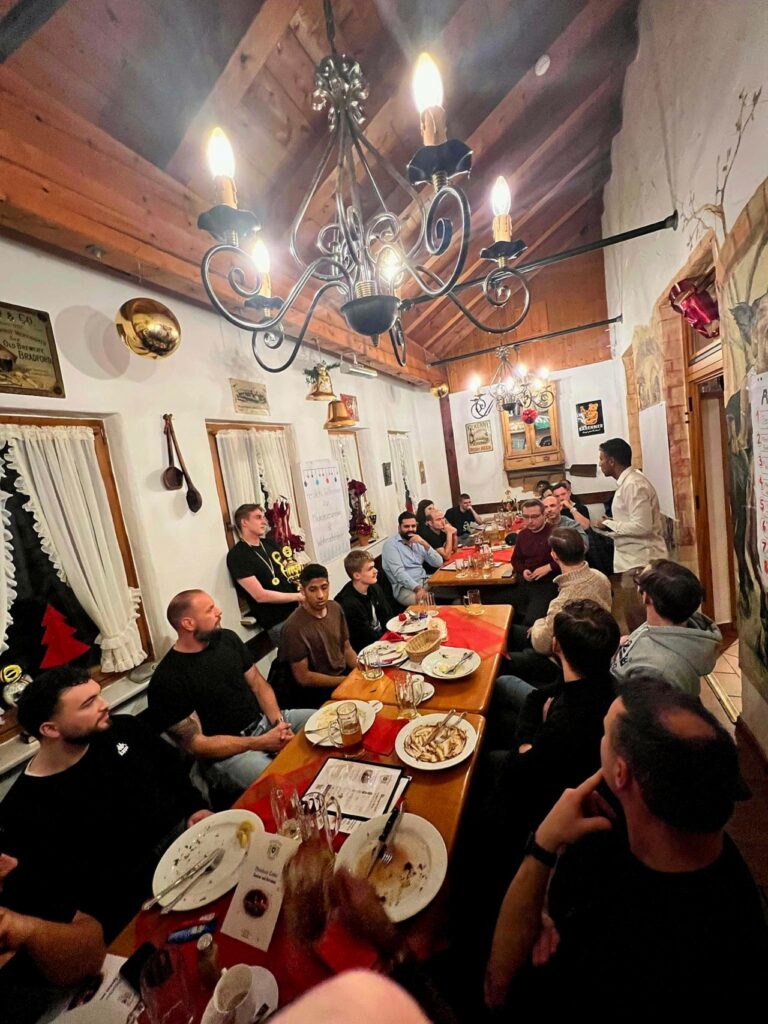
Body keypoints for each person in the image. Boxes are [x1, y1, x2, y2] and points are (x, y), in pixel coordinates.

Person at [485, 678, 768, 1010]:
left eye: (605, 733)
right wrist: (543, 905)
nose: (600, 738)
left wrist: (543, 845)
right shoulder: (695, 832)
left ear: (620, 773)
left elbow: (497, 990)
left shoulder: (622, 955)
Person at [0, 666, 212, 1019]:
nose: (104, 705)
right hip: (133, 911)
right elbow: (68, 908)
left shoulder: (123, 728)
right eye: (87, 703)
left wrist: (196, 808)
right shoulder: (22, 812)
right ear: (50, 729)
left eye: (99, 694)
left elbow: (173, 771)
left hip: (191, 844)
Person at [147, 590, 313, 802]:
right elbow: (197, 745)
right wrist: (260, 742)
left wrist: (278, 724)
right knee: (284, 786)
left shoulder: (226, 639)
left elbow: (258, 685)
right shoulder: (167, 679)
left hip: (265, 723)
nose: (219, 611)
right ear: (188, 624)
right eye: (210, 610)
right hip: (229, 755)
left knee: (329, 721)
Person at [488, 600, 619, 837]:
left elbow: (516, 773)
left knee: (488, 760)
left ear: (556, 645)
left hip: (553, 794)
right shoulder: (598, 679)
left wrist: (528, 742)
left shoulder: (566, 722)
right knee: (499, 719)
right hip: (559, 756)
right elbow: (537, 697)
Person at [503, 528, 612, 684]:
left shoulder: (563, 602)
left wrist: (538, 624)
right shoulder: (600, 577)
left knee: (502, 660)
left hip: (565, 661)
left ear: (554, 556)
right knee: (510, 631)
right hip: (592, 646)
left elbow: (542, 645)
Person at [612, 559, 721, 696]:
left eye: (639, 582)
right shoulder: (668, 622)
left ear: (647, 598)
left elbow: (631, 707)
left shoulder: (657, 672)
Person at [596, 438, 667, 630]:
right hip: (631, 559)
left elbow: (642, 527)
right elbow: (631, 523)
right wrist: (609, 527)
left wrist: (608, 523)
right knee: (633, 616)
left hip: (640, 561)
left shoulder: (634, 484)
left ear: (611, 461)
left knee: (641, 618)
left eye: (601, 458)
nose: (600, 463)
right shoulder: (627, 483)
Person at [278, 563, 358, 708]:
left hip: (343, 675)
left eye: (324, 587)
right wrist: (345, 680)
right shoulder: (293, 627)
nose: (320, 595)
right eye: (313, 590)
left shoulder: (335, 608)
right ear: (303, 591)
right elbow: (303, 677)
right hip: (319, 691)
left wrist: (362, 671)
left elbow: (346, 648)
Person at [226, 503, 303, 645]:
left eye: (263, 517)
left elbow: (286, 572)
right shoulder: (238, 555)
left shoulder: (269, 543)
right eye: (258, 517)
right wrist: (297, 596)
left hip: (297, 610)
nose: (264, 522)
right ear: (244, 522)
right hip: (277, 620)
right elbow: (259, 595)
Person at [335, 550, 397, 652]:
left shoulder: (374, 587)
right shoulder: (348, 603)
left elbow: (388, 615)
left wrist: (395, 633)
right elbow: (366, 637)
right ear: (357, 575)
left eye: (374, 567)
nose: (376, 571)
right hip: (367, 649)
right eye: (370, 569)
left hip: (383, 639)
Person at [508, 500, 557, 626]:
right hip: (526, 581)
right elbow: (515, 560)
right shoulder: (522, 534)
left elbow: (569, 560)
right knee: (495, 601)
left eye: (534, 517)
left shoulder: (555, 533)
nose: (530, 521)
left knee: (531, 621)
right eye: (526, 517)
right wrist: (523, 570)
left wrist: (549, 567)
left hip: (547, 583)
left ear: (544, 515)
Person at [382, 512, 443, 607]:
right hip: (405, 588)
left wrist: (424, 543)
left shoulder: (417, 541)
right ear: (399, 528)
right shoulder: (390, 545)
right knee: (426, 606)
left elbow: (438, 563)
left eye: (413, 526)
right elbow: (399, 573)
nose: (410, 529)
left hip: (425, 581)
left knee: (456, 591)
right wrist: (418, 589)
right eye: (406, 526)